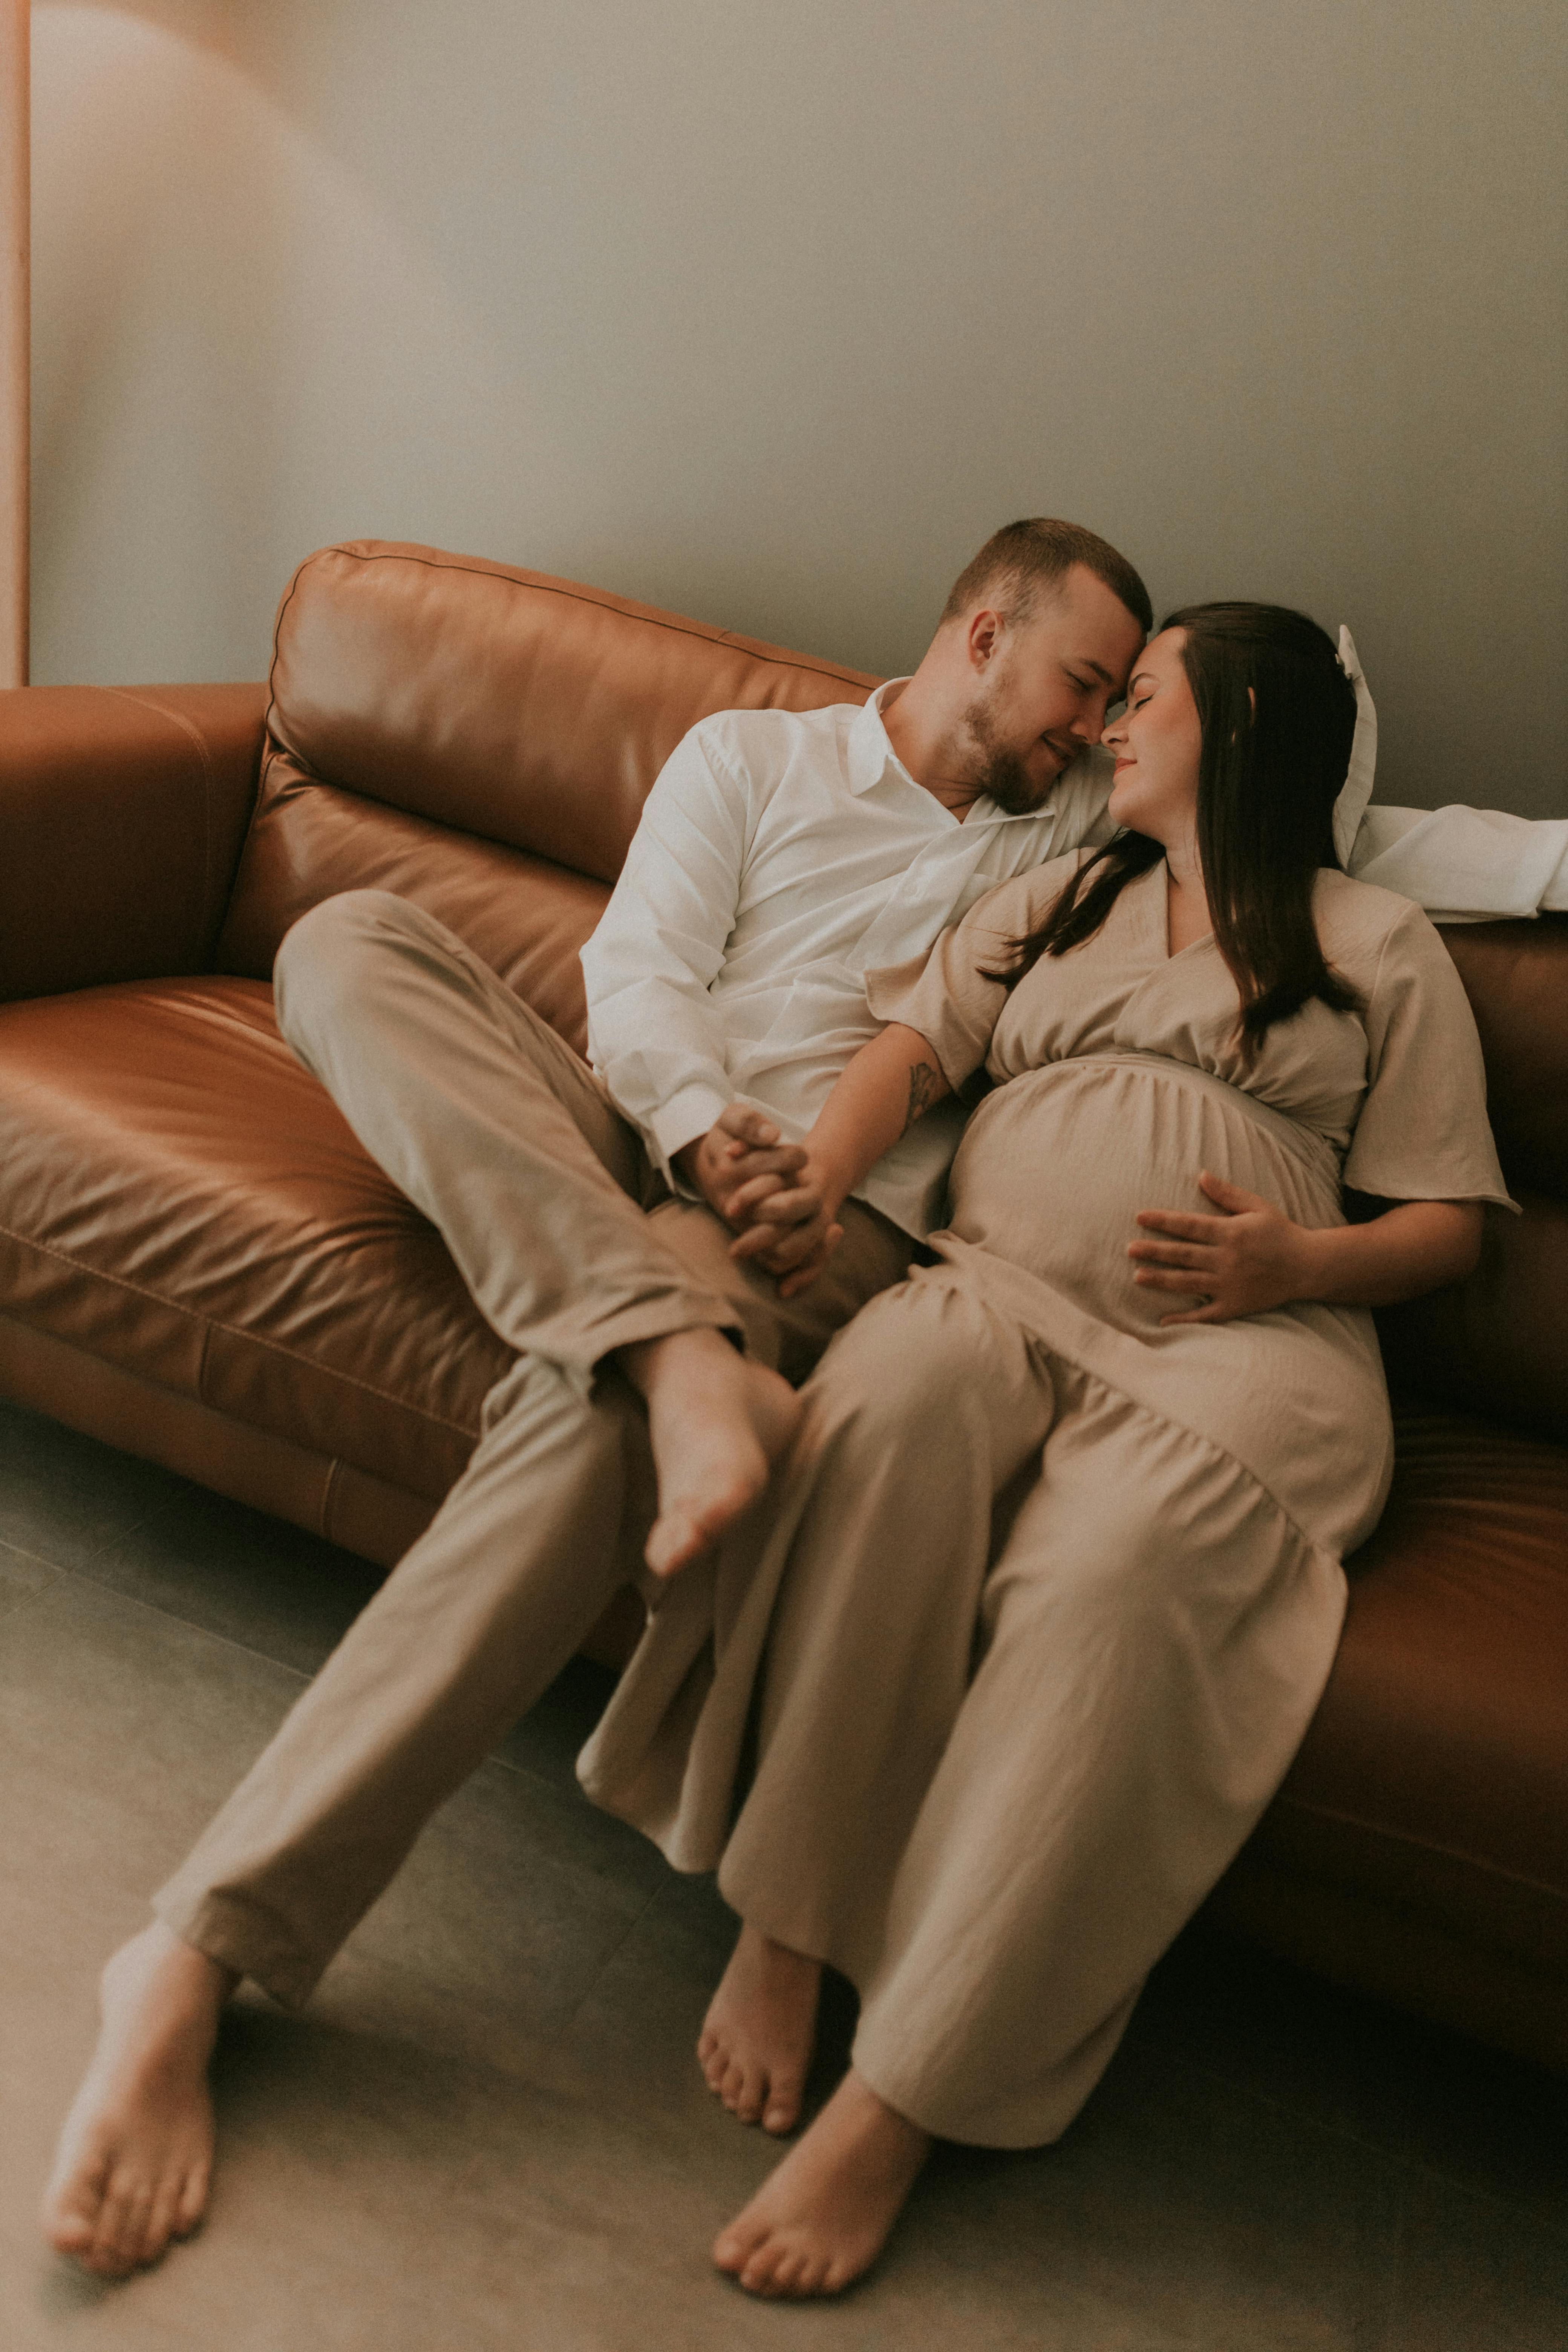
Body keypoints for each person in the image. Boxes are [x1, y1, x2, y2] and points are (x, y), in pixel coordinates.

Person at [38, 520, 1546, 2282]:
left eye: (1124, 705)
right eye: (1079, 684)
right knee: (353, 938)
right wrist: (698, 1134)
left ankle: (195, 1950)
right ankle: (663, 1350)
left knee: (587, 1419)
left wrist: (793, 1198)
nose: (1087, 730)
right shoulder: (748, 757)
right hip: (627, 1132)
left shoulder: (1073, 849)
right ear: (982, 635)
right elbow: (631, 981)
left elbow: (1323, 823)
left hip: (820, 1241)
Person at [574, 603, 1516, 2298]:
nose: (1102, 732)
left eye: (1136, 699)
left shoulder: (1373, 942)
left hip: (1247, 1359)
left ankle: (908, 2085)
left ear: (1236, 729)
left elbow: (1447, 1226)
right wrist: (797, 1193)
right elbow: (902, 1056)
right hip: (995, 1289)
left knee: (1109, 1578)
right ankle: (786, 1921)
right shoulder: (1048, 898)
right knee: (887, 1405)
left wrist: (1296, 1264)